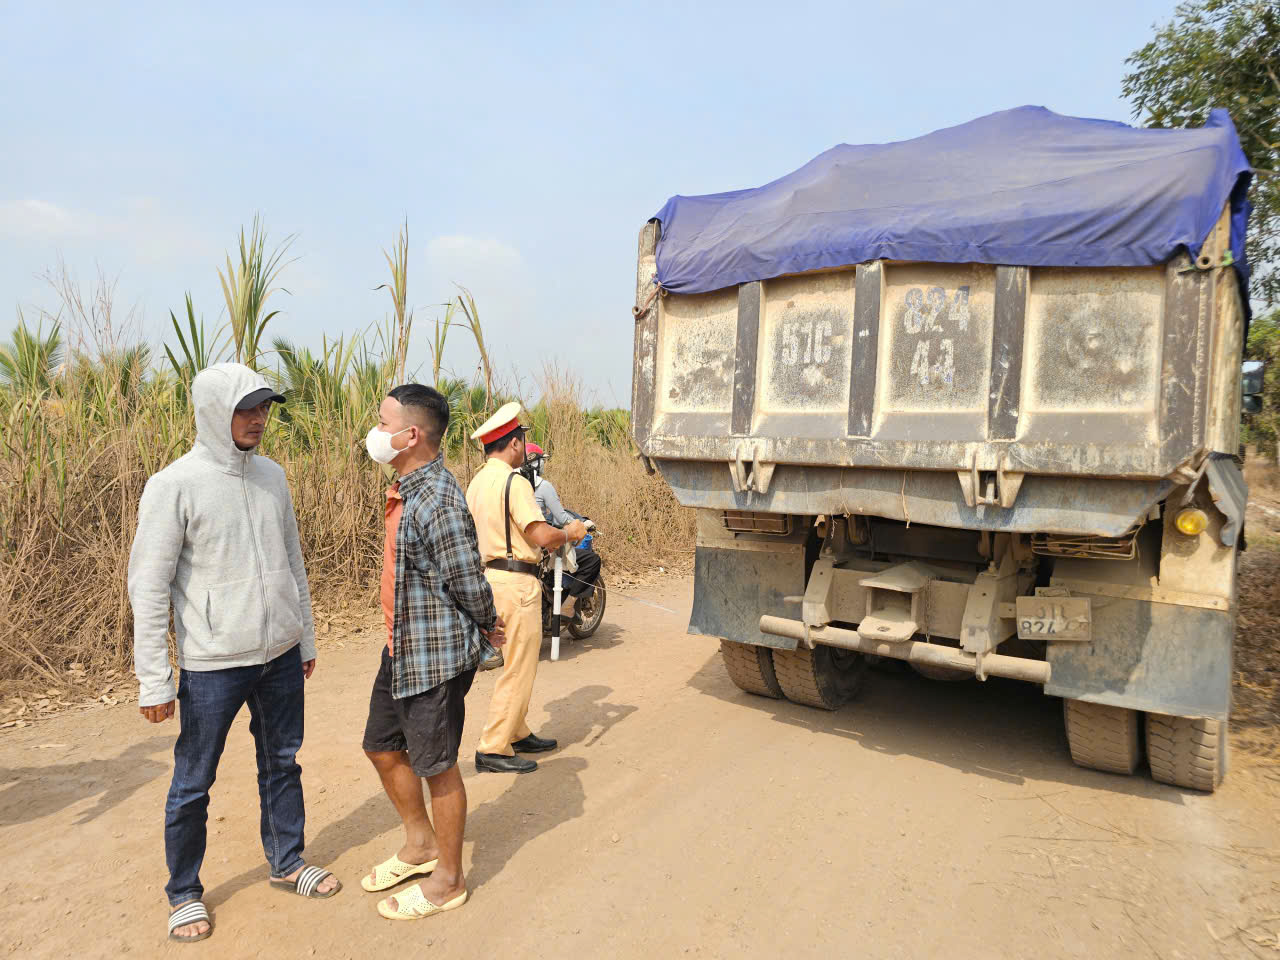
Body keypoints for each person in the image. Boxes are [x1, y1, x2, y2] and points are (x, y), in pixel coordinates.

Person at [128, 363, 340, 945]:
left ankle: (288, 861)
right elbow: (147, 586)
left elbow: (293, 562)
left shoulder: (273, 476)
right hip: (213, 663)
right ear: (213, 411)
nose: (258, 419)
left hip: (279, 654)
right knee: (194, 781)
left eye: (265, 407)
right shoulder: (175, 484)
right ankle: (184, 892)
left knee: (282, 763)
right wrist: (155, 679)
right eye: (246, 408)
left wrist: (305, 638)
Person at [360, 384, 505, 922]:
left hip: (434, 657)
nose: (375, 432)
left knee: (438, 767)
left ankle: (449, 878)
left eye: (383, 422)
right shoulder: (406, 488)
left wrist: (491, 626)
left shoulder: (438, 496)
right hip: (400, 647)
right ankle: (419, 846)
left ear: (410, 434)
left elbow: (467, 579)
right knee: (381, 746)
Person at [467, 403, 587, 774]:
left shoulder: (476, 482)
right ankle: (494, 746)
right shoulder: (513, 482)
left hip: (491, 577)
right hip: (517, 581)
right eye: (522, 440)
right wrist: (572, 532)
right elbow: (540, 534)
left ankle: (516, 731)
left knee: (516, 661)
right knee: (518, 666)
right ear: (515, 444)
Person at [523, 442, 601, 610]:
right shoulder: (543, 486)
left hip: (521, 545)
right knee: (592, 560)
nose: (543, 464)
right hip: (542, 543)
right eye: (541, 460)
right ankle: (569, 605)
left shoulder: (512, 484)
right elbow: (562, 517)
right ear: (535, 462)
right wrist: (582, 524)